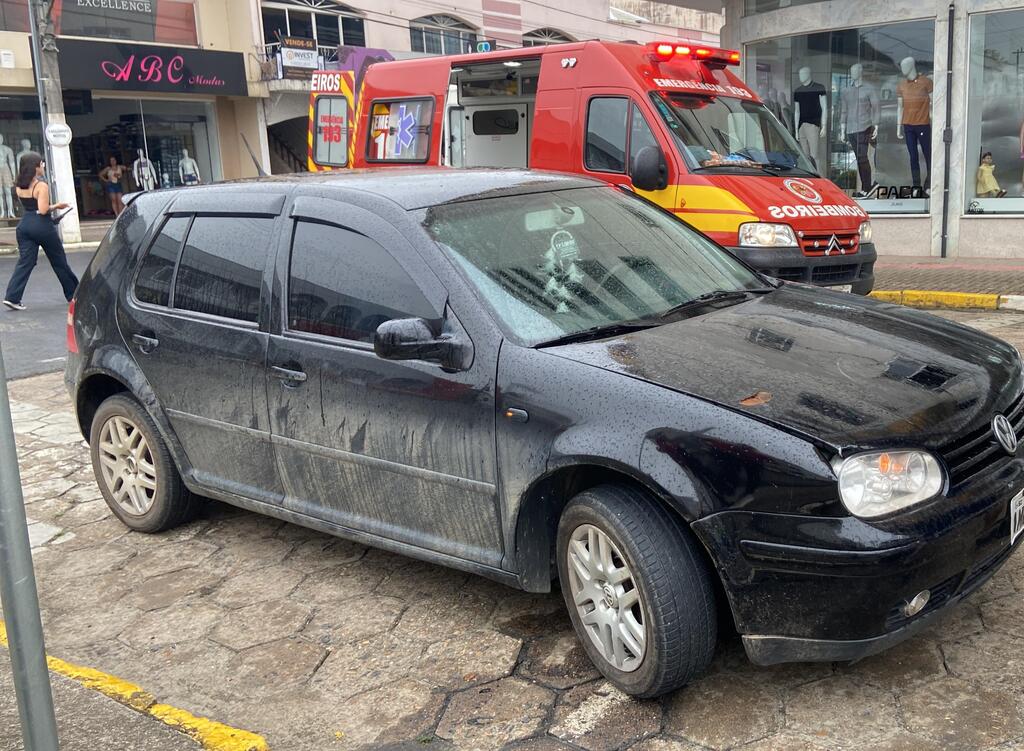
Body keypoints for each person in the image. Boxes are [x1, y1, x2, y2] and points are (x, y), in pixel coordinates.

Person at [3, 152, 79, 311]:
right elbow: (43, 209)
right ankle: (74, 294)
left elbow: (32, 208)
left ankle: (12, 297)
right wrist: (57, 206)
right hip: (42, 226)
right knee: (59, 261)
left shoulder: (18, 185)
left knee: (25, 262)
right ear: (35, 167)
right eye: (42, 164)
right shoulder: (41, 186)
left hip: (24, 226)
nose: (43, 166)